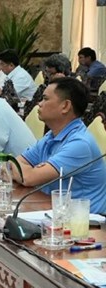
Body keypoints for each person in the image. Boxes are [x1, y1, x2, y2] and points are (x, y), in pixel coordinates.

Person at [13, 78, 106, 213]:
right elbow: (13, 164)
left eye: (45, 99)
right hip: (54, 210)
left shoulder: (80, 144)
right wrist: (29, 172)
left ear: (65, 106)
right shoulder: (52, 135)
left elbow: (28, 178)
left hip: (85, 220)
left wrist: (30, 172)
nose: (39, 103)